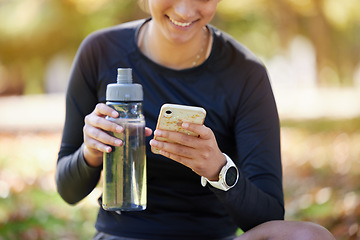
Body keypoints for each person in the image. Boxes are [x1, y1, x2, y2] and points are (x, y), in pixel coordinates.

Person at [55, 0, 335, 239]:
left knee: (313, 236)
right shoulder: (99, 51)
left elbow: (269, 217)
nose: (185, 10)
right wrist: (90, 152)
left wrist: (218, 169)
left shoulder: (246, 74)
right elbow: (68, 191)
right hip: (124, 235)